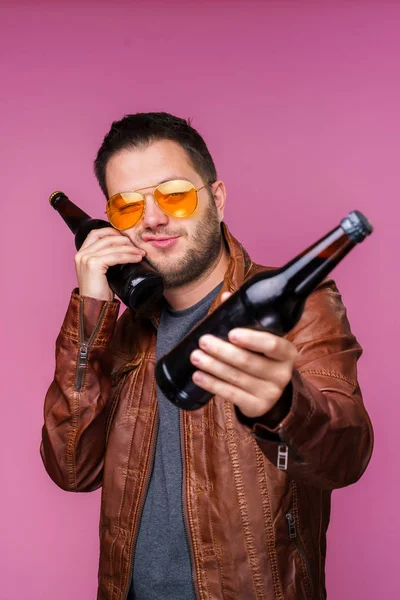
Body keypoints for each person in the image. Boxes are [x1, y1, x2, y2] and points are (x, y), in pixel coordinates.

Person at [40, 112, 373, 600]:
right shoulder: (123, 330)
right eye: (129, 207)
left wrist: (283, 405)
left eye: (174, 194)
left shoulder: (295, 303)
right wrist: (92, 310)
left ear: (216, 198)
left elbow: (342, 459)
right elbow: (72, 471)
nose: (153, 219)